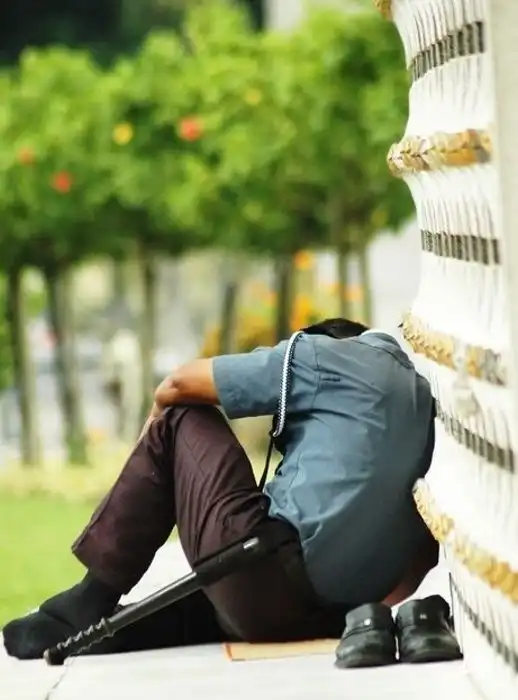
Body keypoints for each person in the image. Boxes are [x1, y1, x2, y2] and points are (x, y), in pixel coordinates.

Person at [3, 318, 438, 660]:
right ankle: (108, 630)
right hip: (324, 618)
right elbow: (415, 567)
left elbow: (177, 385)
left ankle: (88, 600)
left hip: (264, 577)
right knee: (227, 596)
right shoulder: (422, 407)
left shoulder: (322, 354)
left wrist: (153, 450)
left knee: (182, 414)